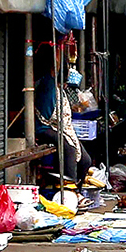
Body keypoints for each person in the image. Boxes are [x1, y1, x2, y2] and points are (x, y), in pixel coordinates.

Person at [34, 49, 95, 183]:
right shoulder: (48, 84)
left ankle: (77, 188)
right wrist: (59, 47)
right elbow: (54, 67)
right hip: (44, 128)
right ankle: (68, 185)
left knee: (86, 160)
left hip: (61, 128)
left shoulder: (60, 90)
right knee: (69, 148)